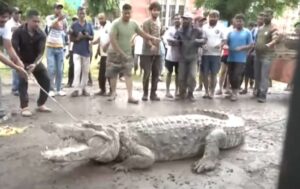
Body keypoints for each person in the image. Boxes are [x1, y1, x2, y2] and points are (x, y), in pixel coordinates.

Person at [105, 4, 160, 104]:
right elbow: (113, 40)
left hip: (127, 53)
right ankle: (113, 93)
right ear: (122, 12)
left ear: (131, 13)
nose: (127, 15)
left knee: (128, 74)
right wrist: (120, 53)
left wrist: (152, 38)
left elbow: (142, 33)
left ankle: (130, 97)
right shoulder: (116, 23)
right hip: (114, 53)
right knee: (113, 74)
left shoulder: (133, 24)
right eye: (125, 13)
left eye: (128, 13)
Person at [12, 10, 52, 117]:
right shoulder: (18, 32)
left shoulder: (42, 34)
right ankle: (24, 107)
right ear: (28, 20)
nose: (37, 24)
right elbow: (14, 49)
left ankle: (41, 104)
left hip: (35, 62)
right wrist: (19, 64)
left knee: (46, 80)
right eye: (35, 21)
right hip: (21, 61)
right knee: (22, 80)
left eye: (38, 21)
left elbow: (41, 53)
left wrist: (35, 64)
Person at [0, 2, 28, 119]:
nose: (3, 23)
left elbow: (9, 46)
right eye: (1, 21)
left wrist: (18, 62)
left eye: (6, 20)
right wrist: (16, 67)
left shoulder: (5, 25)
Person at [171, 12, 206, 101]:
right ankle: (182, 92)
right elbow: (174, 39)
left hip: (193, 57)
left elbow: (204, 39)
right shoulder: (179, 31)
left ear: (191, 20)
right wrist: (174, 41)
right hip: (182, 57)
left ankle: (190, 93)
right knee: (181, 77)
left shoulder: (197, 30)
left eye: (186, 19)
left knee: (192, 76)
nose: (184, 21)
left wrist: (198, 41)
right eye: (183, 19)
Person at [254, 8, 279, 103]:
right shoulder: (260, 28)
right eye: (264, 15)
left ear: (272, 16)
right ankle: (258, 90)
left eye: (267, 15)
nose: (265, 17)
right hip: (257, 54)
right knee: (257, 75)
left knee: (264, 75)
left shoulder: (273, 27)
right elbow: (256, 40)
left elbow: (275, 38)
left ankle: (263, 95)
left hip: (267, 56)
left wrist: (270, 43)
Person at [226, 14, 253, 101]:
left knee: (236, 76)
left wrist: (242, 48)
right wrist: (223, 45)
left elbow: (251, 45)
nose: (238, 23)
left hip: (241, 59)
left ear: (243, 22)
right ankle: (233, 91)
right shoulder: (231, 32)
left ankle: (235, 93)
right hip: (231, 58)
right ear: (235, 22)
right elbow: (227, 43)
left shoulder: (247, 32)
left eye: (240, 21)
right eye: (237, 21)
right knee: (230, 76)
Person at [201, 10, 226, 99]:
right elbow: (202, 39)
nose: (213, 18)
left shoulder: (221, 27)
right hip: (205, 54)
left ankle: (212, 92)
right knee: (205, 74)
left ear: (218, 18)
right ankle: (206, 91)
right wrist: (203, 45)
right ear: (209, 17)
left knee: (214, 74)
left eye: (215, 16)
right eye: (211, 16)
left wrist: (220, 45)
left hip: (216, 55)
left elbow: (224, 40)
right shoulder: (204, 27)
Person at [69, 7, 94, 97]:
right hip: (76, 50)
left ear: (85, 14)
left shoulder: (89, 25)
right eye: (80, 13)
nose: (82, 15)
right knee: (77, 69)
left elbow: (92, 37)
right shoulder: (74, 25)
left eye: (83, 13)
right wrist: (77, 38)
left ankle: (83, 88)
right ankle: (76, 89)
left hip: (86, 51)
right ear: (77, 14)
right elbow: (71, 38)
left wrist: (87, 36)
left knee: (86, 71)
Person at [140, 2, 162, 101]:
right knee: (147, 73)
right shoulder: (146, 22)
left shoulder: (159, 22)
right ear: (151, 10)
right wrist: (151, 45)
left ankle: (153, 93)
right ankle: (145, 93)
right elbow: (145, 36)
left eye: (158, 10)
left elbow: (159, 35)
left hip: (157, 52)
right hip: (146, 52)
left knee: (156, 73)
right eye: (154, 10)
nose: (156, 12)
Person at [45, 2, 68, 97]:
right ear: (54, 9)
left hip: (60, 47)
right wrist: (58, 19)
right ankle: (51, 89)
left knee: (60, 69)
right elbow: (50, 25)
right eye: (57, 8)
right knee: (51, 69)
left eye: (60, 8)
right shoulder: (49, 17)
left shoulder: (64, 20)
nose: (59, 10)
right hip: (50, 47)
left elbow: (65, 30)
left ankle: (58, 89)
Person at [240, 13, 264, 95]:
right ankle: (245, 88)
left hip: (259, 53)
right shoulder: (254, 30)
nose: (259, 20)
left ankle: (256, 89)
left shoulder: (264, 30)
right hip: (251, 53)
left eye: (261, 19)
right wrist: (248, 51)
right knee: (247, 71)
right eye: (258, 19)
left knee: (257, 72)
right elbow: (251, 41)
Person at [93, 13, 112, 96]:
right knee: (101, 73)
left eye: (102, 18)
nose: (100, 20)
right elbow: (100, 38)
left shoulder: (110, 26)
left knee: (109, 73)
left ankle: (112, 90)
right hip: (103, 54)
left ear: (105, 18)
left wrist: (106, 45)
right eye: (99, 19)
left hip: (109, 54)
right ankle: (102, 89)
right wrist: (93, 43)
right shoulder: (101, 27)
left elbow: (113, 37)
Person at [5, 7, 22, 96]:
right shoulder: (8, 23)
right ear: (12, 14)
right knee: (15, 67)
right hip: (11, 47)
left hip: (19, 47)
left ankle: (18, 87)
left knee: (19, 67)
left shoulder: (19, 23)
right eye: (16, 13)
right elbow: (12, 29)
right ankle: (15, 88)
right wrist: (20, 27)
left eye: (19, 13)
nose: (18, 15)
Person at [163, 14, 180, 98]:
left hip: (180, 57)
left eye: (178, 19)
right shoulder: (170, 30)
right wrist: (171, 42)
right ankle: (167, 91)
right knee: (169, 73)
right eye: (175, 19)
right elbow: (166, 39)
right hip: (170, 56)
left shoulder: (183, 30)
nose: (177, 20)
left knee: (178, 74)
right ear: (173, 20)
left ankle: (177, 90)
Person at [65, 16, 78, 88]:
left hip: (78, 49)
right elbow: (69, 41)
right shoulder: (71, 29)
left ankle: (77, 82)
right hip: (72, 50)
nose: (74, 21)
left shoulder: (78, 29)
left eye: (76, 20)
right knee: (71, 66)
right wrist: (68, 52)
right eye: (73, 20)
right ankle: (70, 82)